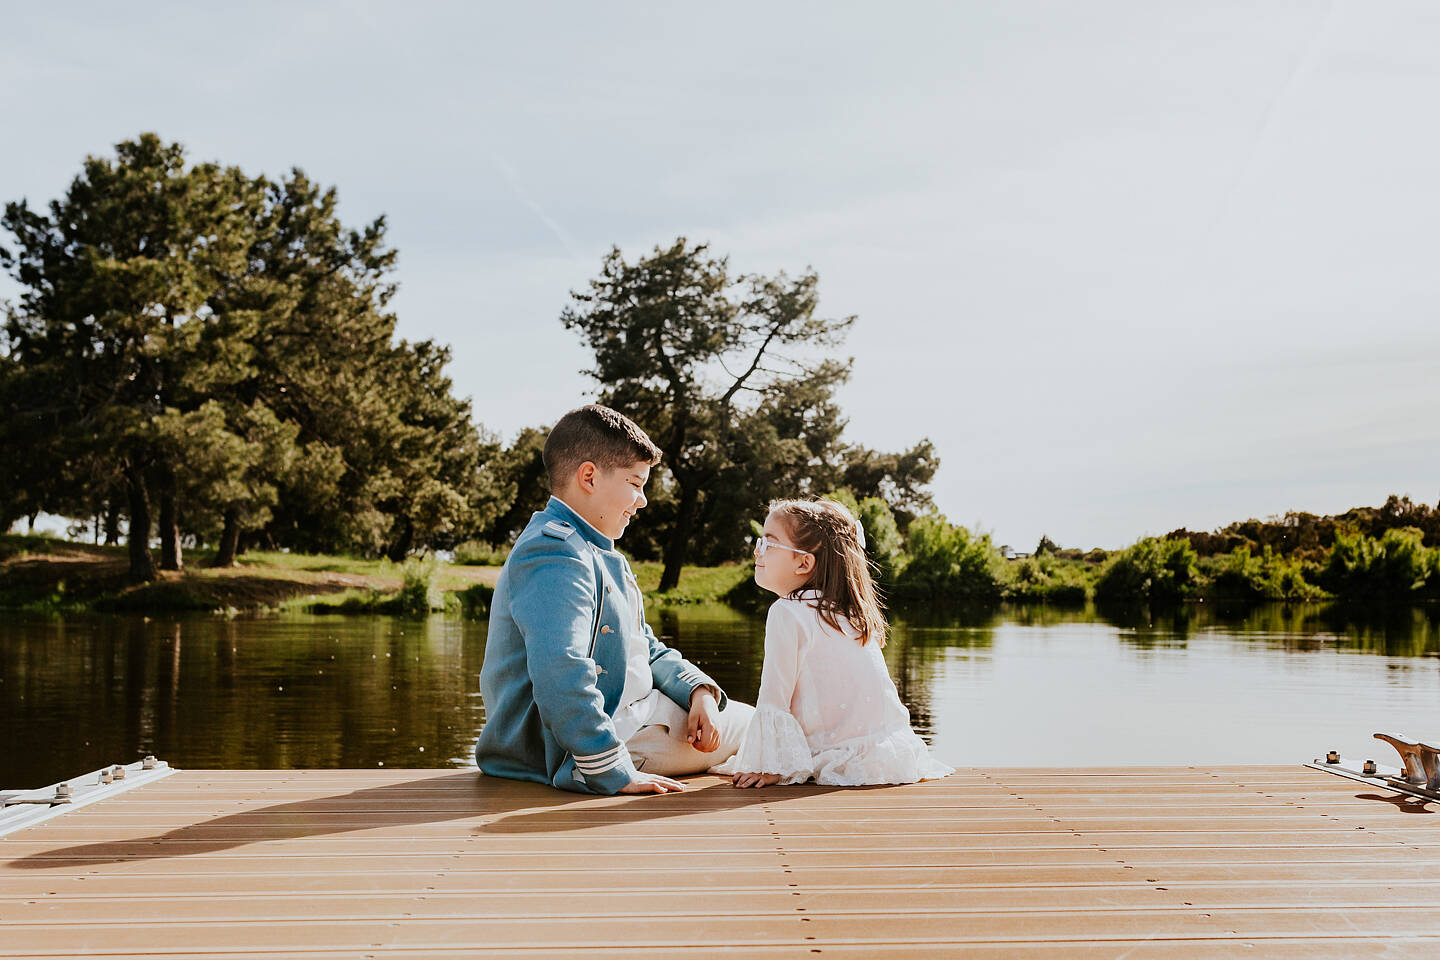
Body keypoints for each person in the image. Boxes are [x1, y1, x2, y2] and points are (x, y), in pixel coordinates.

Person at [475, 404, 753, 795]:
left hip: (634, 717)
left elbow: (645, 648)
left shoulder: (595, 551)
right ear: (588, 476)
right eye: (635, 483)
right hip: (589, 747)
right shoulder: (555, 552)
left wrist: (699, 692)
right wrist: (612, 770)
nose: (642, 501)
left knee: (760, 726)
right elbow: (561, 670)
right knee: (770, 730)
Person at [716, 498, 953, 788]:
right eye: (759, 542)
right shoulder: (851, 612)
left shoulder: (787, 612)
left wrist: (772, 766)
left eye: (769, 543)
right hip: (884, 755)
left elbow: (773, 699)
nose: (757, 550)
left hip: (827, 753)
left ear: (804, 562)